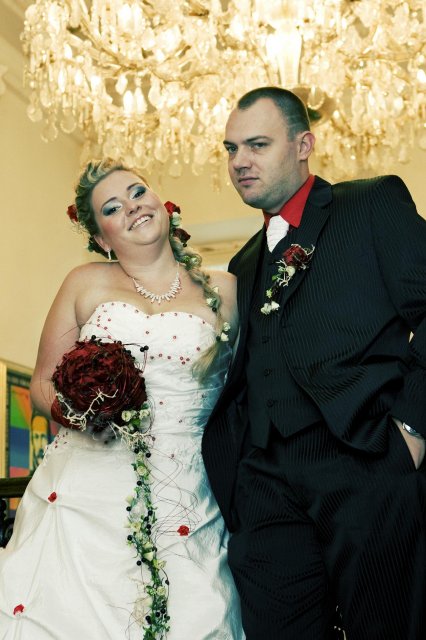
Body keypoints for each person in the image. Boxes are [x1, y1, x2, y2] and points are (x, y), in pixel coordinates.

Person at [202, 86, 426, 640]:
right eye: (231, 149)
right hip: (264, 484)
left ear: (304, 145)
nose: (239, 161)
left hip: (365, 459)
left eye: (257, 145)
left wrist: (413, 430)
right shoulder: (244, 262)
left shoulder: (370, 204)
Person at [0, 159, 243, 640]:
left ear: (163, 203)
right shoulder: (84, 281)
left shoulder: (227, 290)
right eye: (112, 208)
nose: (132, 208)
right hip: (88, 481)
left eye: (137, 192)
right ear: (102, 238)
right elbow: (43, 385)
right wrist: (86, 413)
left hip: (187, 487)